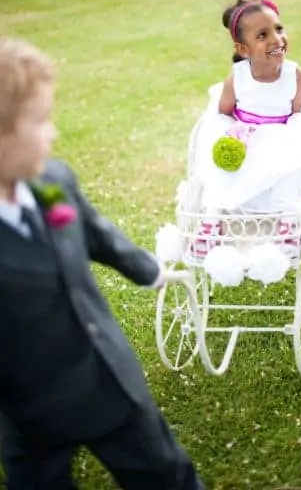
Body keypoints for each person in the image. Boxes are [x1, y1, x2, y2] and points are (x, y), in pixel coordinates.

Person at [0, 37, 204, 490]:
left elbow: (94, 233)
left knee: (165, 472)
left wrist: (149, 271)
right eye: (39, 121)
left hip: (107, 377)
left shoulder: (50, 180)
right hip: (31, 411)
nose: (52, 133)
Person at [193, 0, 301, 214]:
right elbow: (223, 113)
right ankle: (217, 217)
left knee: (290, 168)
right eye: (262, 35)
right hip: (245, 136)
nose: (276, 39)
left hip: (280, 135)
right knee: (223, 173)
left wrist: (290, 140)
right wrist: (234, 134)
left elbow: (298, 116)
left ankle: (286, 218)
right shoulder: (238, 76)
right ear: (243, 49)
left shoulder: (295, 75)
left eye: (279, 29)